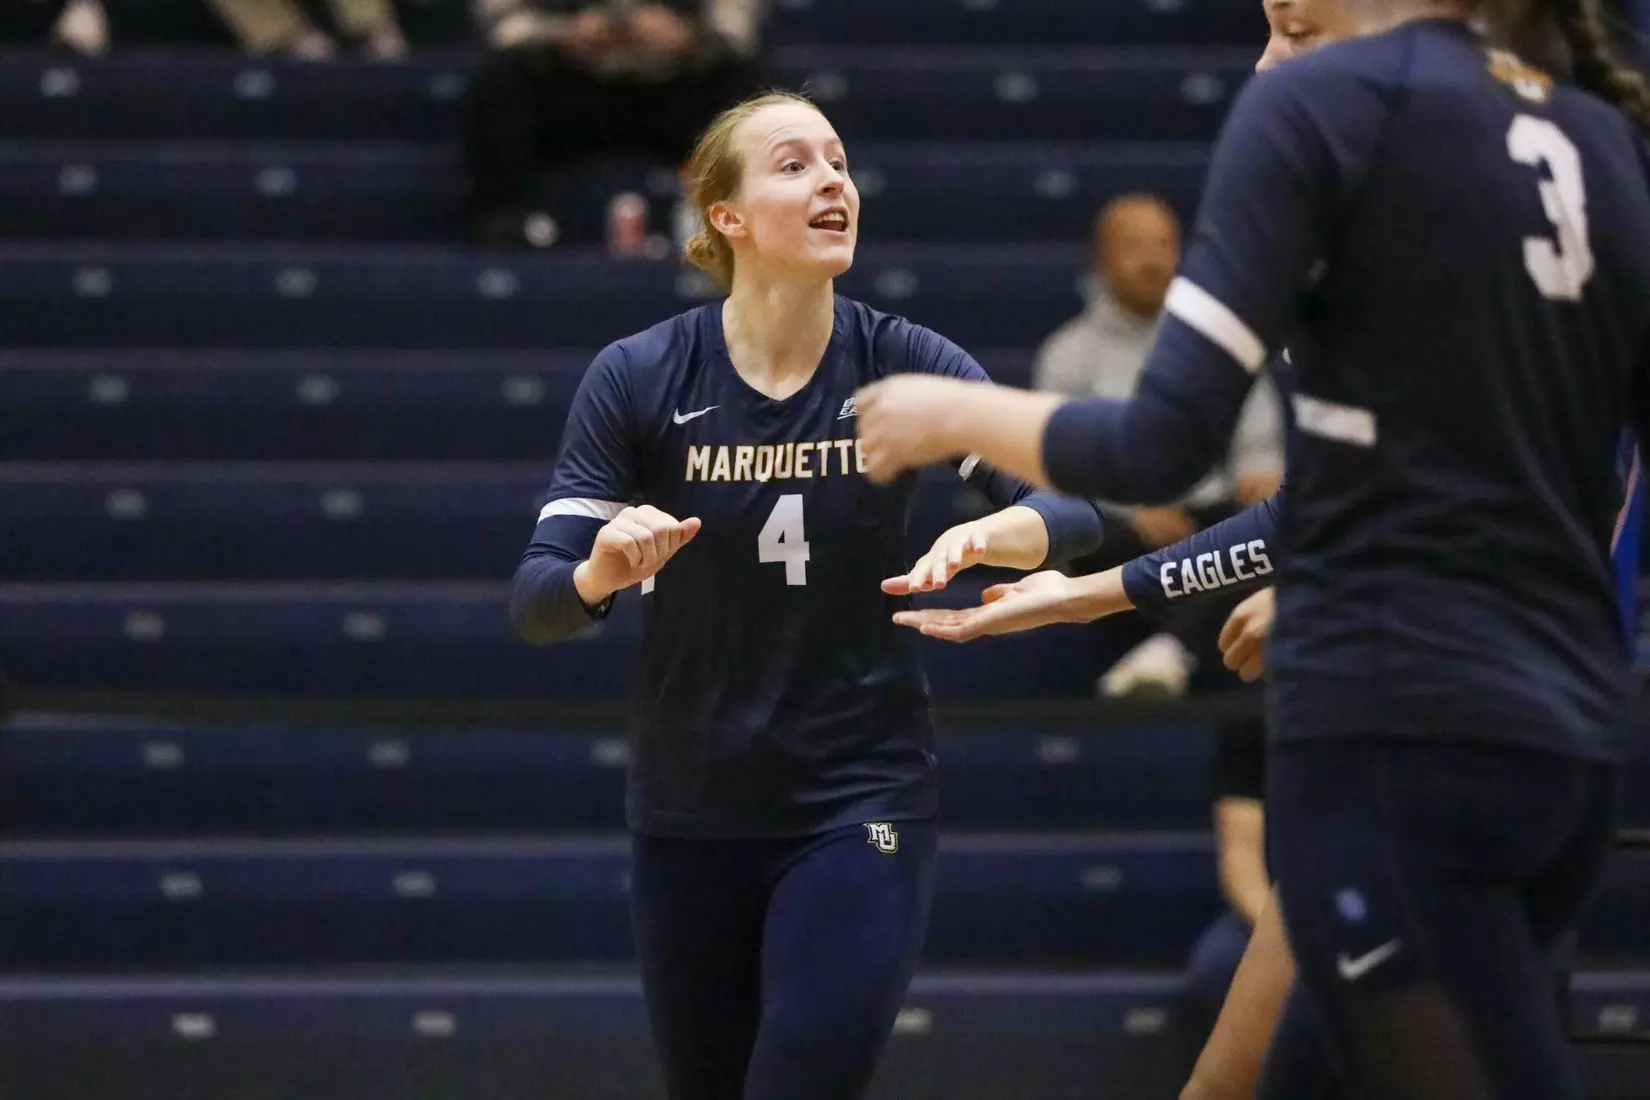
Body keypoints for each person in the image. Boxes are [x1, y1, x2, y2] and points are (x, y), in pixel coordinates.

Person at [853, 2, 1650, 1097]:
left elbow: (1162, 440)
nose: (1269, 59)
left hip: (1398, 717)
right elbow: (1368, 488)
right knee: (1243, 1081)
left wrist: (949, 412)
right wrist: (1096, 591)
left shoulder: (1332, 112)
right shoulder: (1595, 132)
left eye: (1295, 23)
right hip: (1563, 739)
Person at [508, 91, 1104, 1100]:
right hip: (689, 812)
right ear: (727, 215)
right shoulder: (640, 374)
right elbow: (537, 599)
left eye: (839, 161)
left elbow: (1073, 507)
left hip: (858, 800)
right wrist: (602, 571)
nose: (834, 181)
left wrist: (990, 534)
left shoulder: (900, 357)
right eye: (795, 164)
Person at [467, 0, 763, 246]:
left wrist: (691, 35)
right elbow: (503, 24)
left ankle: (743, 224)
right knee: (500, 85)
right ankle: (506, 226)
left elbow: (737, 24)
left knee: (747, 88)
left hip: (675, 81)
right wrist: (560, 33)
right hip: (568, 81)